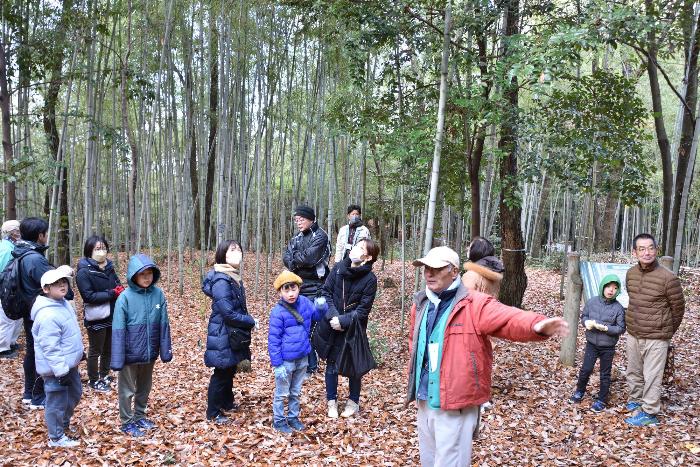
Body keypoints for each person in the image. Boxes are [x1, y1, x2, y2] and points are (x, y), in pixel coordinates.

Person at [405, 246, 569, 466]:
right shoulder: (422, 303)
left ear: (454, 272)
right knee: (428, 459)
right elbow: (415, 343)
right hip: (424, 397)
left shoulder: (474, 304)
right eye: (426, 267)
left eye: (437, 268)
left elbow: (508, 318)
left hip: (456, 402)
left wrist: (536, 325)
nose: (429, 273)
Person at [624, 233, 685, 427]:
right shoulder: (631, 274)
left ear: (656, 250)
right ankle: (635, 399)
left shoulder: (669, 278)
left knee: (652, 376)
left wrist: (664, 331)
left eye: (650, 248)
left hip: (657, 336)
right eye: (641, 249)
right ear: (634, 252)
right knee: (634, 371)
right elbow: (632, 298)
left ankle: (649, 412)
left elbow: (678, 309)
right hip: (634, 332)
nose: (646, 252)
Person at [14, 217, 74, 409]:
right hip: (40, 311)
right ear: (40, 235)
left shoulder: (21, 252)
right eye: (45, 234)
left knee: (33, 350)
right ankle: (36, 395)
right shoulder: (34, 259)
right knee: (40, 351)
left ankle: (29, 393)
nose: (46, 237)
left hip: (30, 309)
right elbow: (54, 283)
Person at [316, 238, 379, 419]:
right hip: (331, 325)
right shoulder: (337, 269)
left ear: (367, 257)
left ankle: (353, 402)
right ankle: (331, 402)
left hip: (353, 329)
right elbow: (326, 292)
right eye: (357, 245)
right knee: (332, 364)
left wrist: (343, 321)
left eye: (361, 248)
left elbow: (363, 310)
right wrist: (333, 317)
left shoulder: (370, 279)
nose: (355, 249)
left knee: (354, 366)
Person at [111, 254, 172, 437]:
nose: (147, 277)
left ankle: (139, 415)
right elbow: (118, 329)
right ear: (133, 275)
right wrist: (118, 356)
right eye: (142, 273)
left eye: (149, 273)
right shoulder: (125, 298)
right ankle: (127, 421)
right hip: (130, 352)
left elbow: (164, 324)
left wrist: (164, 349)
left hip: (149, 351)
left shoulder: (158, 294)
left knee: (144, 387)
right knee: (127, 388)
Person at [202, 240, 257, 424]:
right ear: (222, 254)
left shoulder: (232, 276)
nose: (237, 253)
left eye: (239, 249)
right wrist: (250, 321)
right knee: (221, 372)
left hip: (232, 332)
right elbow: (228, 312)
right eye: (232, 250)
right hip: (223, 331)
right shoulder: (221, 279)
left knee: (229, 368)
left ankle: (226, 402)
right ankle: (213, 412)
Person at [267, 270, 327, 433]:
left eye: (293, 289)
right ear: (280, 292)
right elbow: (273, 340)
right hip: (286, 361)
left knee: (295, 391)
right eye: (286, 290)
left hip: (303, 356)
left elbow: (316, 316)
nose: (291, 294)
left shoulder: (306, 303)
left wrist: (321, 308)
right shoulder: (278, 312)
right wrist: (277, 364)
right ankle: (279, 421)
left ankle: (293, 417)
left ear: (299, 288)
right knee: (282, 393)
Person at [31, 266, 84, 448]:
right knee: (56, 402)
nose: (62, 286)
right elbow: (50, 347)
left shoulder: (64, 304)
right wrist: (61, 370)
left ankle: (63, 424)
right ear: (46, 289)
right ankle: (56, 437)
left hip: (70, 366)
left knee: (75, 395)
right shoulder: (47, 314)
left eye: (64, 282)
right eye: (56, 284)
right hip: (56, 370)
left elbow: (70, 335)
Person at [282, 204, 330, 373]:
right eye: (296, 220)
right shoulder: (296, 237)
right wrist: (297, 261)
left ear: (311, 219)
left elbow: (311, 258)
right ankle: (305, 363)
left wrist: (296, 260)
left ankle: (311, 365)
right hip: (297, 286)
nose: (298, 223)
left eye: (301, 219)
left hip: (316, 286)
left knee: (309, 325)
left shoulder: (320, 236)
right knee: (297, 324)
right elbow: (286, 257)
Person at [569, 275, 626, 413]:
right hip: (592, 343)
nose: (611, 290)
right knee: (586, 369)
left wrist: (607, 329)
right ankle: (579, 391)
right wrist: (586, 323)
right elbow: (584, 317)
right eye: (608, 287)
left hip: (608, 346)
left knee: (605, 373)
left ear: (617, 291)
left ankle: (601, 400)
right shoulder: (592, 302)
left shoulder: (618, 308)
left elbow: (621, 328)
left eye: (615, 288)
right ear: (602, 287)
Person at [75, 235, 124, 392]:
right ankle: (93, 379)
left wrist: (120, 290)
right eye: (97, 248)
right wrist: (111, 293)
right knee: (95, 349)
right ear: (89, 250)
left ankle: (104, 374)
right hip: (96, 316)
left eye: (103, 247)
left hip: (112, 313)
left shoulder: (109, 267)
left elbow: (117, 284)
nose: (101, 251)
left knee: (108, 347)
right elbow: (88, 296)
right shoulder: (84, 271)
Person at [0, 220, 23, 358]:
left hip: (13, 288)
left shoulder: (12, 247)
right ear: (13, 233)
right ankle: (3, 348)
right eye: (18, 230)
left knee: (15, 316)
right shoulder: (6, 249)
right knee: (6, 317)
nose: (20, 233)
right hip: (5, 288)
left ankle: (11, 342)